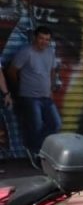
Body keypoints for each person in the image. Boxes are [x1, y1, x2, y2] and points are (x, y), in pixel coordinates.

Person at [7, 26, 61, 155]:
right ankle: (35, 152)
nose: (44, 42)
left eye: (47, 39)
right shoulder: (26, 52)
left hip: (46, 96)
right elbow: (11, 71)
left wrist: (51, 88)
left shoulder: (49, 52)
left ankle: (43, 150)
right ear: (35, 38)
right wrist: (20, 86)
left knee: (55, 123)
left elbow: (52, 70)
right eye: (41, 38)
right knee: (36, 126)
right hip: (30, 97)